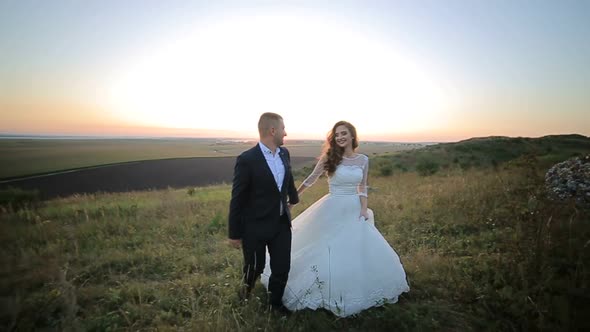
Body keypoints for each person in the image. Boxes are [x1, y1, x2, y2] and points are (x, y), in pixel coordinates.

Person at [261, 120, 409, 317]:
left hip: (353, 208)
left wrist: (364, 209)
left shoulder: (363, 160)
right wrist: (293, 200)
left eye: (344, 133)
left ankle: (356, 285)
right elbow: (311, 179)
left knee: (354, 247)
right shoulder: (329, 158)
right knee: (325, 246)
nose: (340, 137)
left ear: (352, 136)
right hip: (332, 206)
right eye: (337, 134)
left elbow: (362, 186)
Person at [228, 112, 299, 315]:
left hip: (281, 224)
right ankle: (245, 292)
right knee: (254, 268)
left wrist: (293, 199)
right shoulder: (247, 159)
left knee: (281, 267)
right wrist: (234, 233)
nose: (286, 133)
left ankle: (275, 304)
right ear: (273, 130)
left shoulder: (285, 153)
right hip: (255, 226)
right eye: (283, 128)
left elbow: (288, 178)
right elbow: (238, 198)